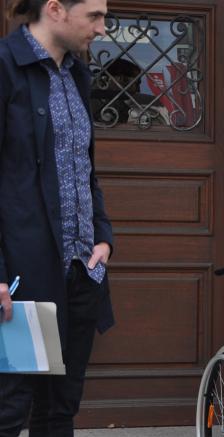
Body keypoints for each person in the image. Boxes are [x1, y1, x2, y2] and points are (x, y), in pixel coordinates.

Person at [0, 1, 113, 436]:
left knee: (59, 410)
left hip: (81, 274)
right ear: (55, 9)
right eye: (95, 16)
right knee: (11, 410)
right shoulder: (7, 67)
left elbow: (85, 168)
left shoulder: (77, 74)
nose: (103, 28)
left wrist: (102, 236)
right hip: (25, 281)